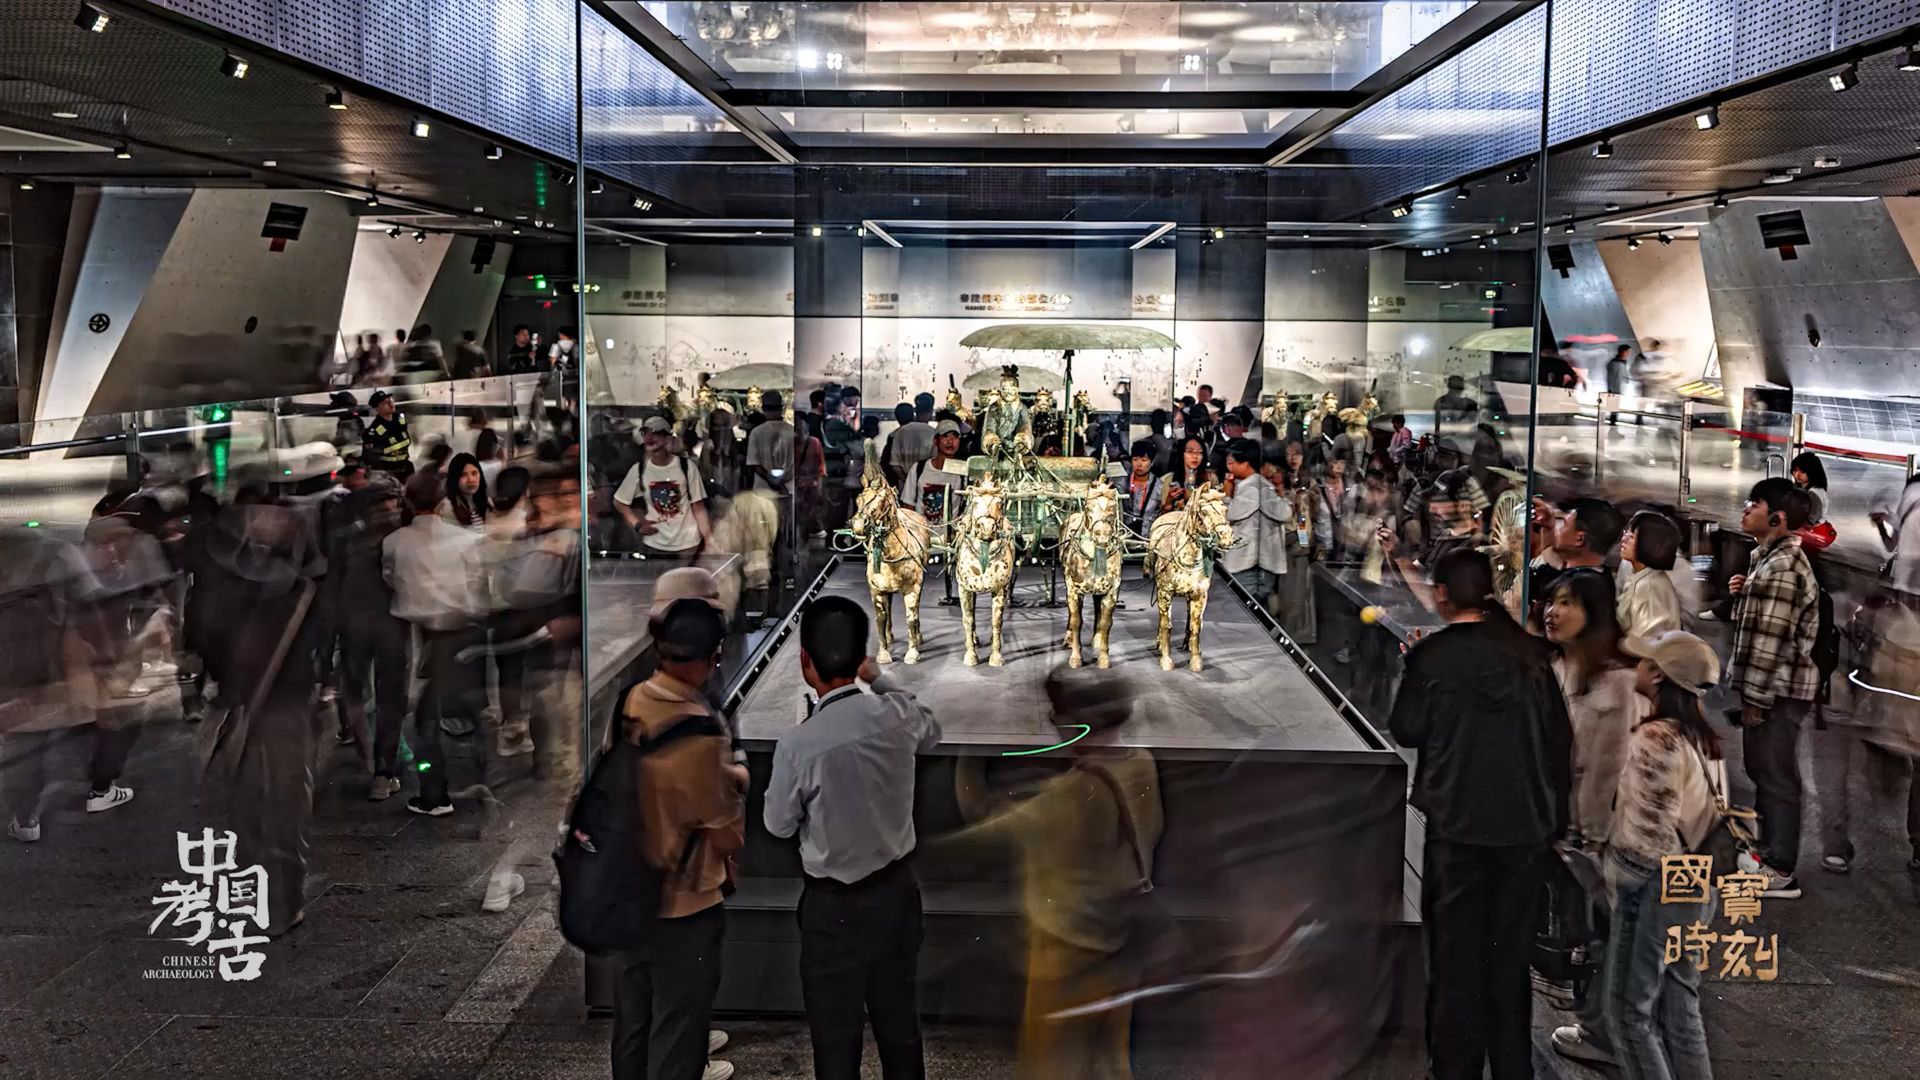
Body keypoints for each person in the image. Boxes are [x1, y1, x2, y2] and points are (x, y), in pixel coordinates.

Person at [1388, 549, 1572, 1080]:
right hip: (1524, 830)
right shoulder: (1529, 655)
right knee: (1509, 959)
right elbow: (1559, 743)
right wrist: (1555, 822)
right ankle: (1514, 1067)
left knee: (1455, 960)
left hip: (1458, 827)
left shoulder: (1433, 656)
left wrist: (1413, 665)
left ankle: (1455, 1067)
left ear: (1443, 594)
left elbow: (1406, 729)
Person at [943, 666, 1162, 1080]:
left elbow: (980, 818)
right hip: (1119, 946)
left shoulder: (1066, 798)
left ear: (1074, 727)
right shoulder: (1142, 765)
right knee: (1108, 1061)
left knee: (1050, 1064)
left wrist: (968, 752)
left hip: (1064, 956)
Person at [764, 596, 941, 1080]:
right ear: (863, 656)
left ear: (805, 662)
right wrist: (879, 679)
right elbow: (931, 727)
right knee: (900, 1027)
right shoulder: (898, 717)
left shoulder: (799, 744)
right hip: (896, 896)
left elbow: (778, 824)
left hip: (833, 909)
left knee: (835, 1041)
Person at [610, 596, 746, 1080]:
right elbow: (726, 833)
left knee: (633, 1018)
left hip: (629, 890)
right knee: (679, 1028)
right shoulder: (702, 734)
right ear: (712, 658)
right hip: (685, 905)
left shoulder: (631, 701)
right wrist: (736, 779)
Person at [1599, 630, 1725, 1080]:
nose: (1635, 667)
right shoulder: (1704, 738)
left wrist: (1610, 873)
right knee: (1681, 1009)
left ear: (1658, 675)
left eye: (1644, 661)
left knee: (1628, 1014)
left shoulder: (1657, 738)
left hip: (1656, 886)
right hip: (1696, 881)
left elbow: (1646, 838)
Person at [1727, 478, 1819, 898]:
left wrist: (1755, 701)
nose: (1746, 509)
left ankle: (1781, 868)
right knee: (1763, 771)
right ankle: (1766, 854)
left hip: (1776, 691)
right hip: (1772, 689)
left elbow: (1771, 643)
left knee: (1776, 777)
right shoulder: (1768, 560)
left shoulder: (1782, 566)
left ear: (1778, 518)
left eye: (1755, 503)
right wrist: (1744, 592)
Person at [383, 478, 486, 817]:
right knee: (468, 713)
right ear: (443, 502)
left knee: (424, 721)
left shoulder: (394, 541)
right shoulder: (465, 539)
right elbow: (478, 582)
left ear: (408, 503)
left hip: (420, 638)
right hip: (464, 633)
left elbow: (390, 578)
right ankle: (482, 783)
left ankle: (434, 793)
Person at [615, 416, 713, 563]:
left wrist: (709, 540)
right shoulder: (640, 469)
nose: (649, 437)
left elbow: (698, 507)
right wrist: (637, 524)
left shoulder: (687, 467)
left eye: (656, 432)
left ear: (667, 437)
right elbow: (619, 501)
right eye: (645, 433)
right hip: (655, 543)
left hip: (687, 544)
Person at [1526, 496, 1623, 630]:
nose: (1558, 529)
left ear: (1579, 539)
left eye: (1564, 524)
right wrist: (1548, 527)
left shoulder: (1578, 592)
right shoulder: (1597, 579)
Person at [1617, 510, 1684, 638]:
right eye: (1626, 533)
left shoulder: (1648, 587)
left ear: (1648, 544)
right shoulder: (1643, 576)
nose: (1623, 539)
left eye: (1632, 536)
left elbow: (1646, 642)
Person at [1222, 438, 1269, 602]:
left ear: (1245, 463)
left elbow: (1228, 515)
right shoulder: (1245, 485)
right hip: (1241, 563)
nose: (1229, 468)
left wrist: (1226, 495)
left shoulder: (1253, 488)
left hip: (1246, 566)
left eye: (1232, 463)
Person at [898, 419, 965, 527]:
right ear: (935, 441)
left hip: (950, 535)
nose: (950, 441)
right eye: (945, 436)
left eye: (955, 436)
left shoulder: (963, 472)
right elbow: (908, 506)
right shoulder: (919, 469)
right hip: (922, 533)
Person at [1118, 439, 1164, 539]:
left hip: (1149, 537)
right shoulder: (1122, 483)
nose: (1139, 464)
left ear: (1152, 462)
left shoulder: (1160, 486)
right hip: (1124, 536)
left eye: (1144, 460)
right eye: (1135, 459)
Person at [362, 390, 413, 478]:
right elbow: (371, 458)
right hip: (388, 471)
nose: (390, 404)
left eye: (390, 400)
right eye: (385, 403)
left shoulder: (400, 419)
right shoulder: (374, 431)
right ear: (377, 409)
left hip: (405, 466)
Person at [886, 397, 935, 484]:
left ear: (915, 411)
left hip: (904, 484)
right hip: (927, 484)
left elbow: (895, 465)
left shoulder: (900, 432)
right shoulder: (934, 433)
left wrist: (907, 481)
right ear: (931, 411)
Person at [437, 452, 489, 533]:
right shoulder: (448, 506)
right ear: (454, 479)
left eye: (474, 473)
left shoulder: (486, 502)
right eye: (463, 475)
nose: (471, 480)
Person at [1161, 436, 1209, 514]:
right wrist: (1169, 502)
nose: (1195, 456)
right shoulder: (1168, 480)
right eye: (1190, 452)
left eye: (1199, 452)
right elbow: (1162, 516)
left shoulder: (1210, 479)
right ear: (1182, 454)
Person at [1791, 451, 1829, 526]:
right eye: (1795, 470)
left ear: (1812, 472)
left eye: (1802, 471)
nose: (1797, 475)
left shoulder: (1814, 493)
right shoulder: (1802, 488)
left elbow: (1810, 521)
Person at [1606, 344, 1632, 424]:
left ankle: (1613, 424)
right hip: (1615, 390)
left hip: (1616, 389)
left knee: (1615, 409)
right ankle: (1612, 425)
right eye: (1628, 352)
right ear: (1623, 352)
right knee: (1614, 409)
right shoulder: (1616, 363)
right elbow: (1616, 378)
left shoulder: (1619, 362)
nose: (1629, 354)